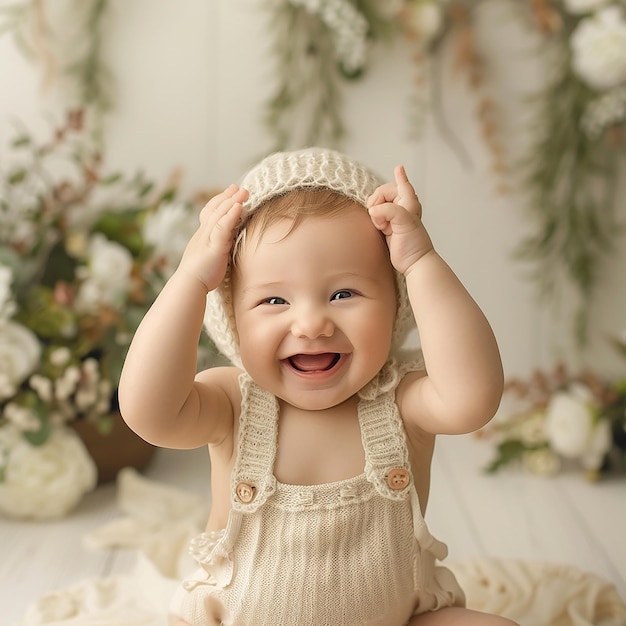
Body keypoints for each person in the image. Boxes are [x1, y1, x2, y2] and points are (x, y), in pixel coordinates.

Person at [119, 147, 516, 625]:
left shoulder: (404, 399)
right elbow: (147, 412)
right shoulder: (230, 402)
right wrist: (189, 280)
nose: (310, 323)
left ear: (396, 304)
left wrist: (421, 262)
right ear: (233, 321)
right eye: (274, 299)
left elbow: (475, 397)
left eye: (343, 293)